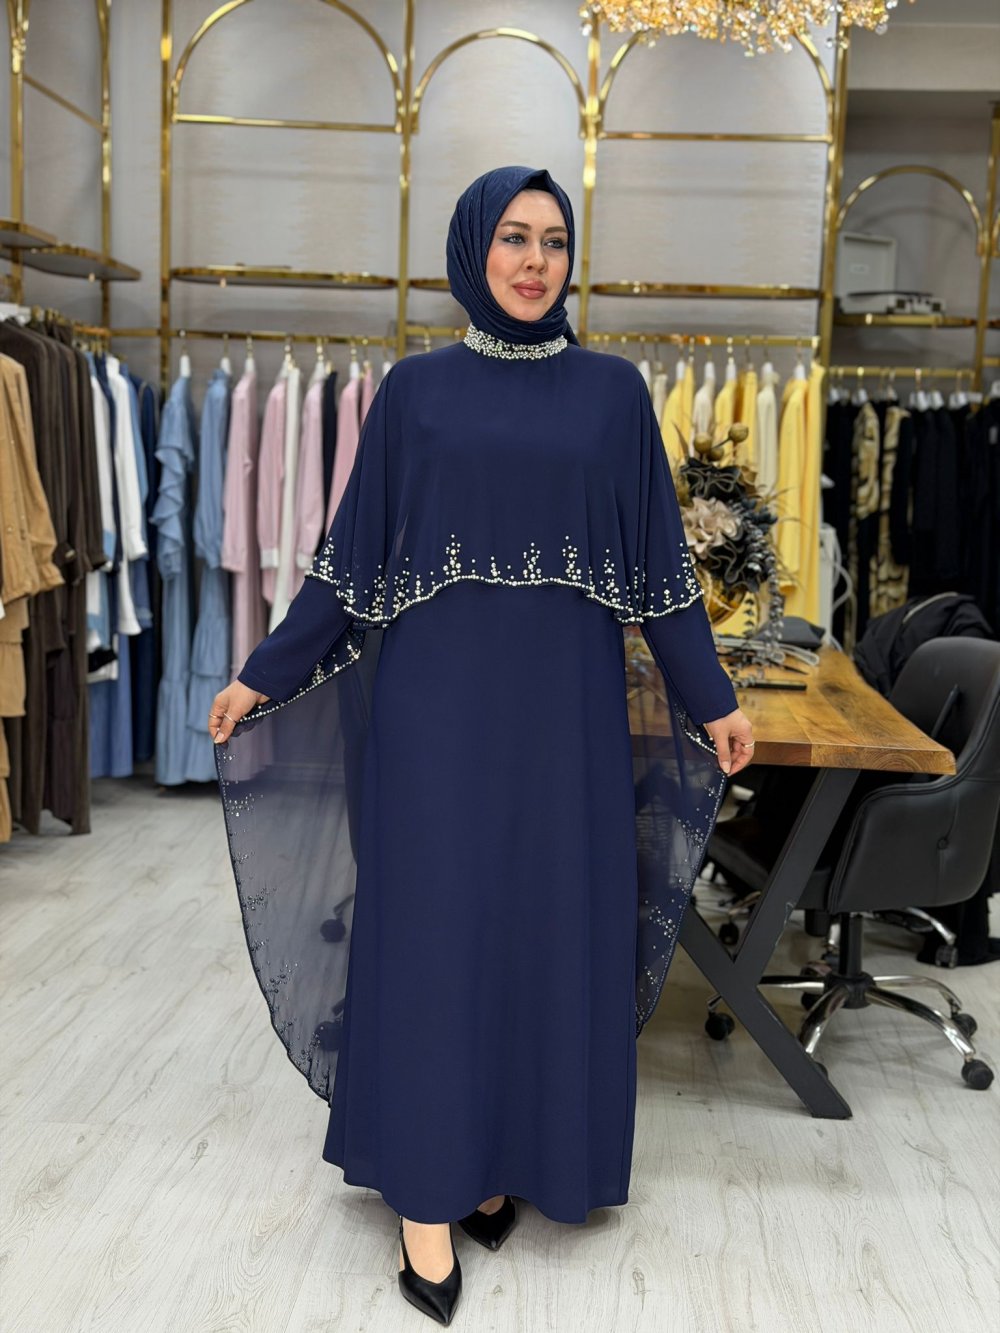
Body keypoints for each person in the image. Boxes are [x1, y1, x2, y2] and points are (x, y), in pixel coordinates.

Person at [208, 165, 754, 1327]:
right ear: (472, 248)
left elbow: (659, 569)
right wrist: (264, 670)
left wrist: (710, 697)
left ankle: (503, 1153)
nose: (534, 260)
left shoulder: (613, 394)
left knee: (543, 929)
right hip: (434, 722)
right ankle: (425, 1189)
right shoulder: (415, 392)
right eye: (512, 236)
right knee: (436, 935)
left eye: (553, 240)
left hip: (565, 723)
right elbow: (349, 563)